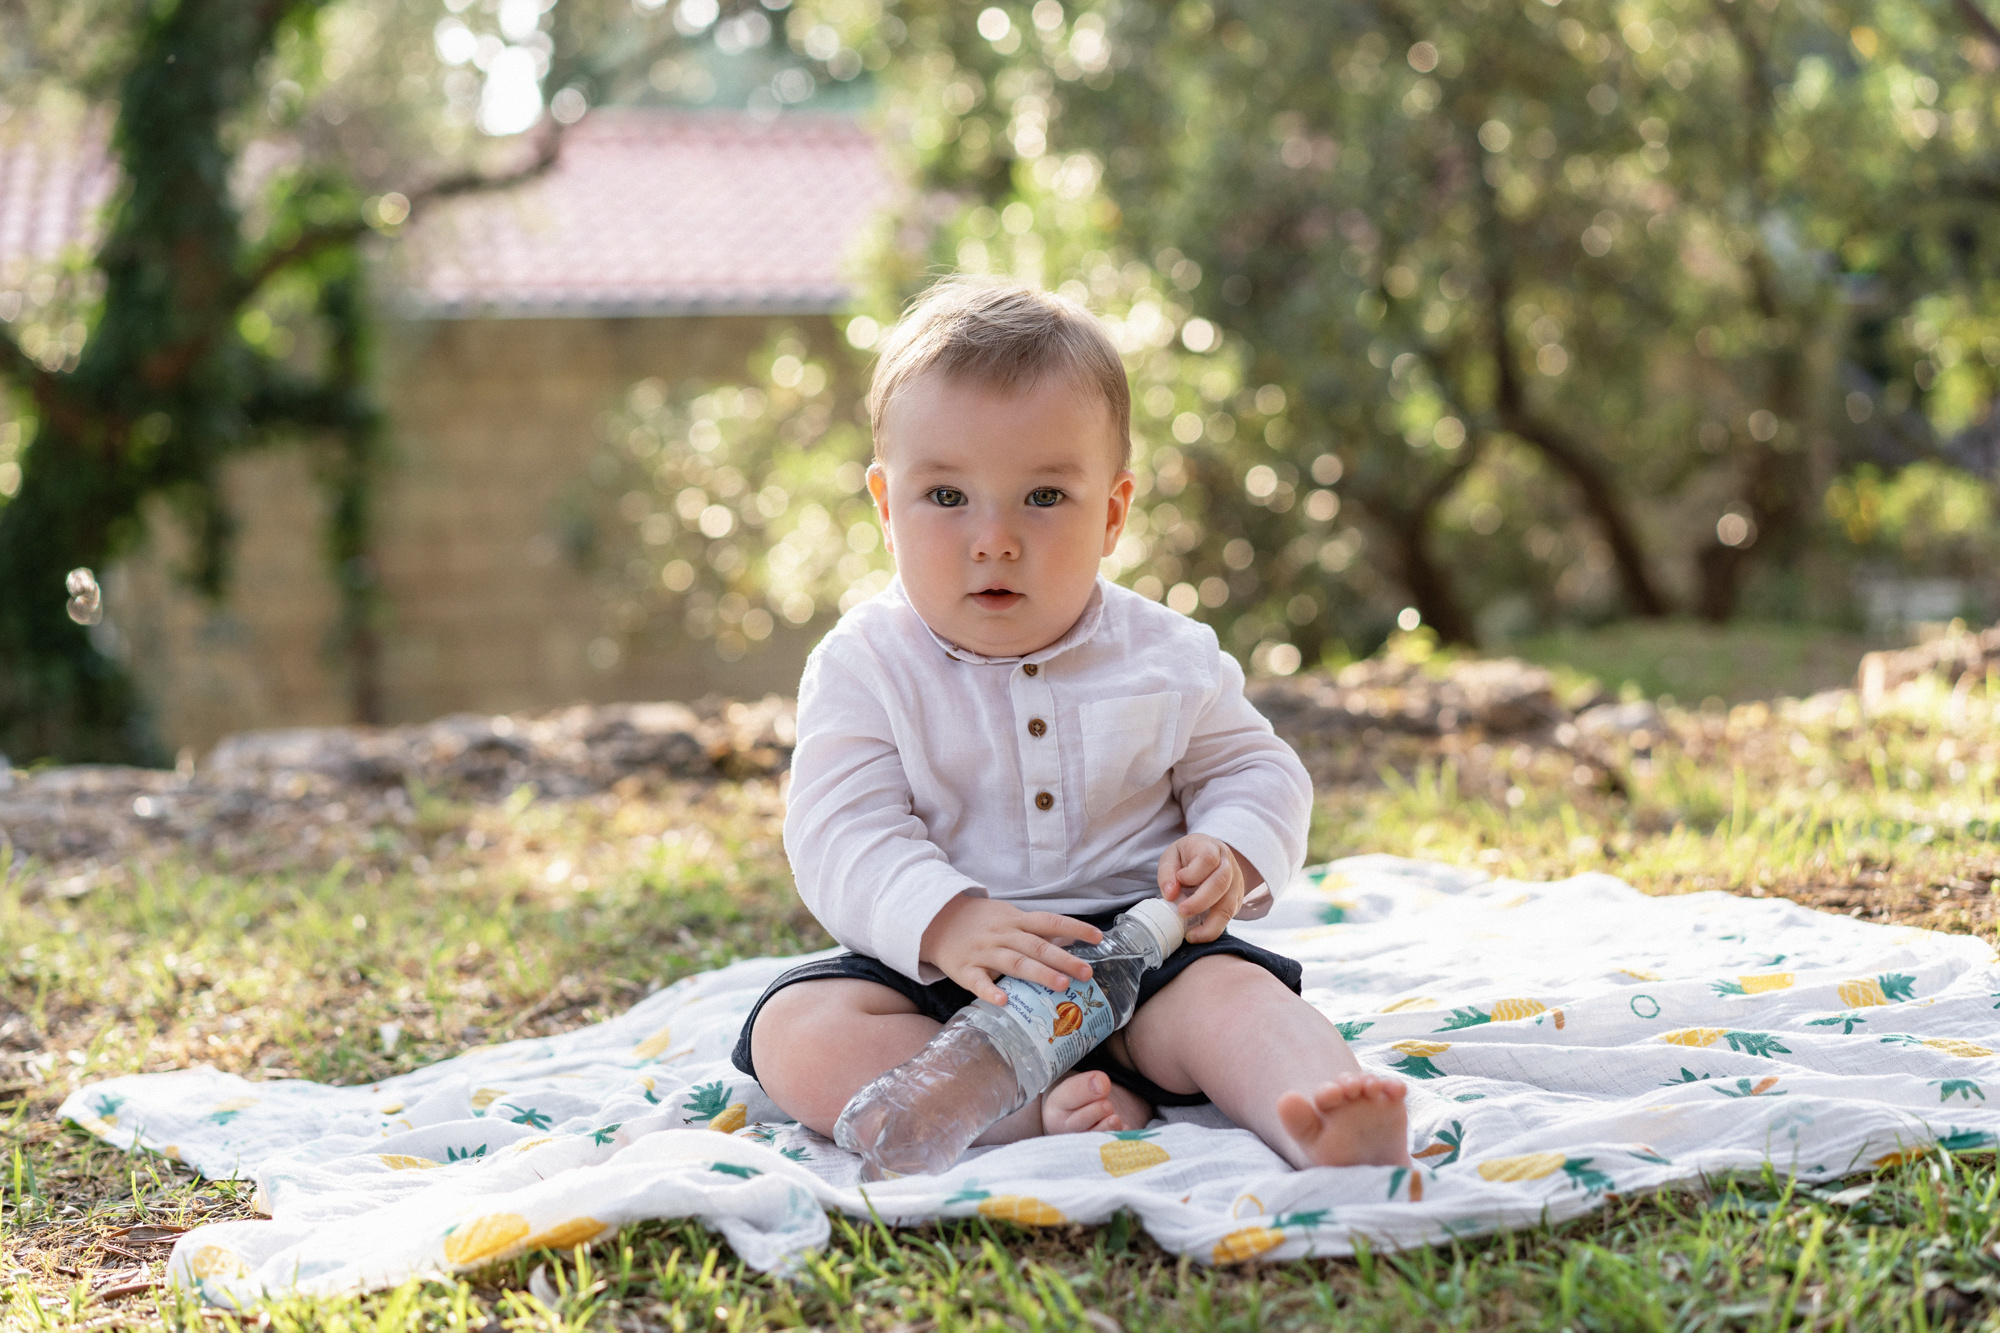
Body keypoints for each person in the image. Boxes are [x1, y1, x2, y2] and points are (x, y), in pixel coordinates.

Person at [730, 277, 1408, 1170]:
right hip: (943, 980)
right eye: (947, 497)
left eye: (1044, 497)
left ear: (1113, 513)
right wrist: (945, 920)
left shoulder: (1166, 652)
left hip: (1140, 959)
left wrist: (1231, 851)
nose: (995, 538)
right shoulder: (866, 665)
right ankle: (1026, 1111)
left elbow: (1257, 769)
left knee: (1242, 1001)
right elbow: (839, 830)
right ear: (886, 508)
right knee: (799, 1030)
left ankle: (1320, 1115)